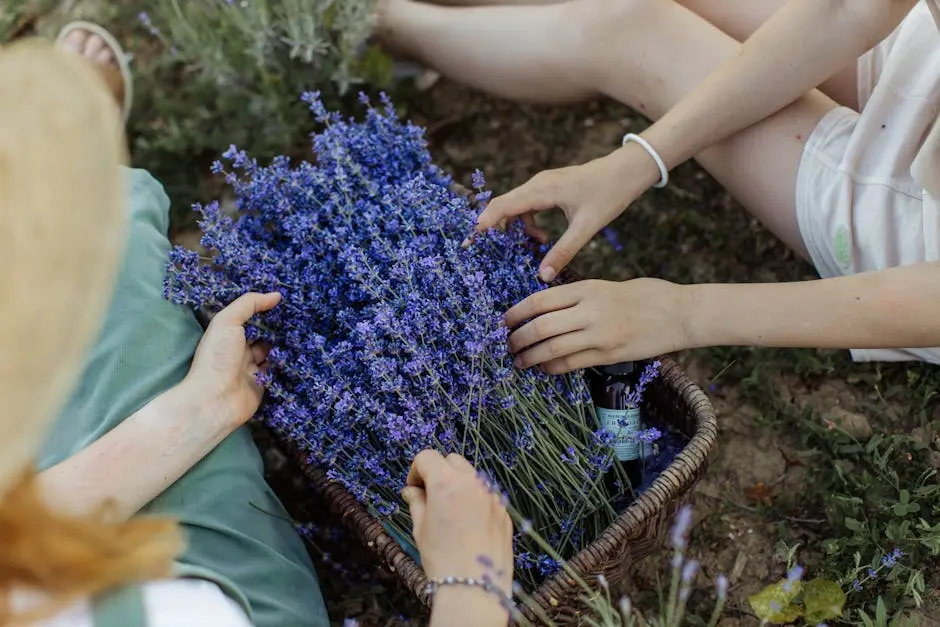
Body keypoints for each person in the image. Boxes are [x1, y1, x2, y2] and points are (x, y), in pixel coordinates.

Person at [3, 24, 515, 627]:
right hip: (225, 584)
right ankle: (78, 160)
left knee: (69, 270)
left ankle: (68, 167)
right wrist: (469, 588)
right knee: (103, 245)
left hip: (45, 553)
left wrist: (200, 407)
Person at [376, 0, 940, 373]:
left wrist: (683, 311)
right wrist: (638, 160)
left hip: (919, 229)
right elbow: (850, 7)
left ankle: (386, 24)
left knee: (628, 32)